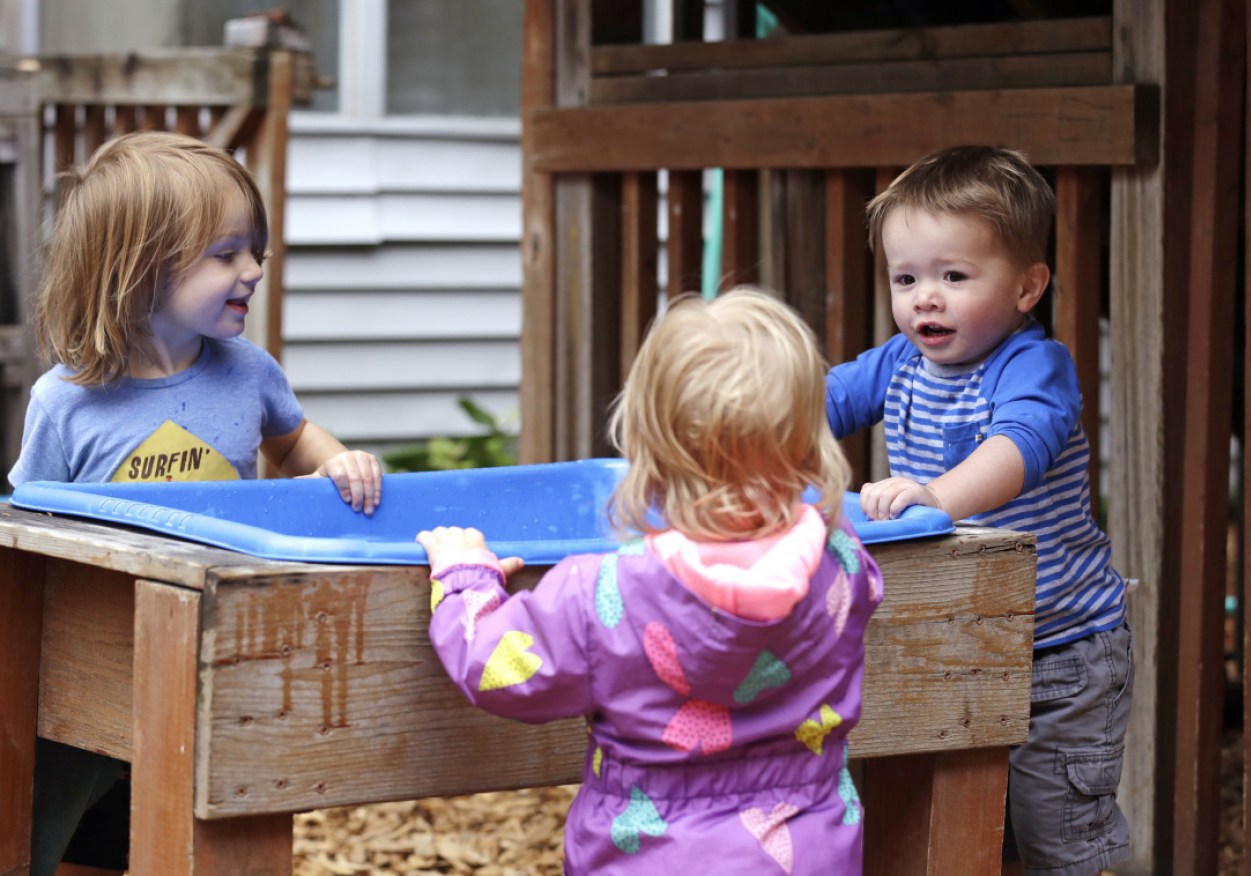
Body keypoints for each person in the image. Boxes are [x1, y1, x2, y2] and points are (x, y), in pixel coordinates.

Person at [7, 130, 383, 876]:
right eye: (226, 254)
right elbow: (25, 532)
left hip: (218, 644)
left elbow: (292, 437)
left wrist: (336, 462)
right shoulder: (67, 403)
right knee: (57, 830)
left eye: (255, 252)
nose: (253, 271)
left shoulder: (248, 373)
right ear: (139, 268)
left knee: (199, 823)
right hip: (97, 657)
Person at [417, 288, 883, 875]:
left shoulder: (605, 592)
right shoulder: (844, 563)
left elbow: (496, 666)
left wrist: (466, 579)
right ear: (808, 446)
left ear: (651, 453)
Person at [825, 144, 1132, 876]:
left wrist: (936, 496)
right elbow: (818, 403)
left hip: (1056, 651)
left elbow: (1015, 450)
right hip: (958, 632)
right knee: (957, 827)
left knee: (1056, 835)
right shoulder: (897, 363)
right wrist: (751, 442)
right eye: (906, 278)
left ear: (1027, 286)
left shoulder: (1033, 366)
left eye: (953, 276)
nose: (923, 297)